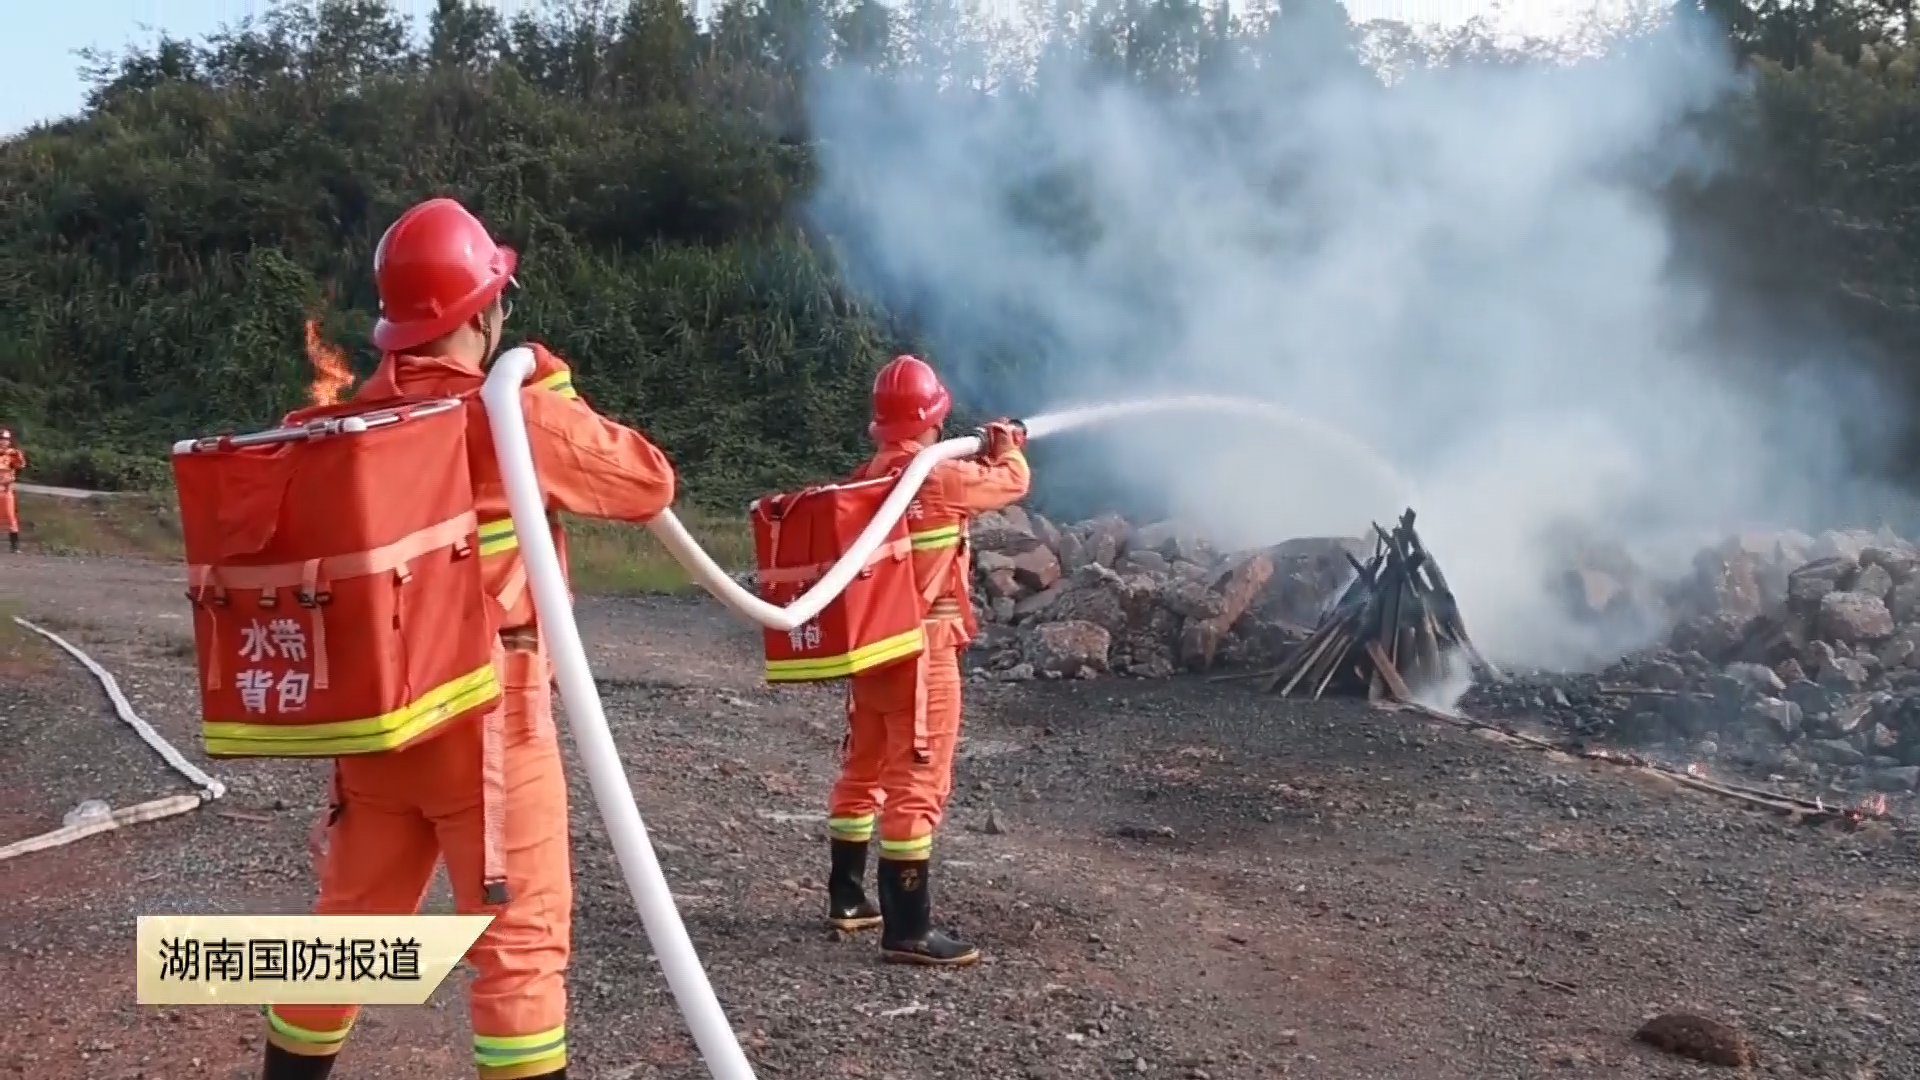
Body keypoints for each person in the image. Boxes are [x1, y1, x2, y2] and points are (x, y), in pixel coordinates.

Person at [259, 197, 678, 1080]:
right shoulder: (511, 414)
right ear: (484, 313)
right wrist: (551, 388)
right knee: (516, 952)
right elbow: (645, 481)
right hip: (488, 721)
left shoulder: (346, 424)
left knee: (345, 934)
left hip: (378, 727)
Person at [824, 355, 1030, 966]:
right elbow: (1010, 483)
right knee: (918, 782)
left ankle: (849, 899)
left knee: (863, 770)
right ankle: (908, 927)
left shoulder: (870, 473)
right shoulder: (933, 476)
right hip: (923, 652)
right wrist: (1008, 445)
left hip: (874, 651)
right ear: (932, 417)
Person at [0, 428, 24, 553]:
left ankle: (15, 546)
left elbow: (20, 466)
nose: (3, 442)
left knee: (10, 517)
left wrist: (18, 457)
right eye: (1, 439)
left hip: (6, 489)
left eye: (6, 439)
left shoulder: (12, 454)